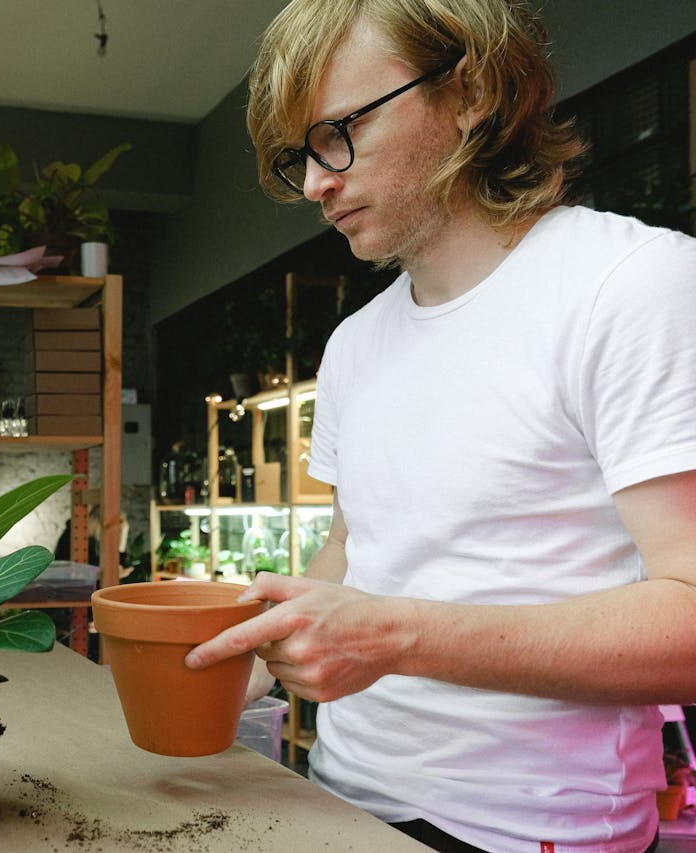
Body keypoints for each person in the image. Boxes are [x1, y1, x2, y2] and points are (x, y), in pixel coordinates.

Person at [182, 2, 696, 851]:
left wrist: (391, 635)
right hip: (340, 798)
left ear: (472, 93)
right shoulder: (353, 344)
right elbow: (354, 549)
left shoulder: (632, 284)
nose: (316, 183)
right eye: (299, 155)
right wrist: (254, 640)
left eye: (339, 131)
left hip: (533, 828)